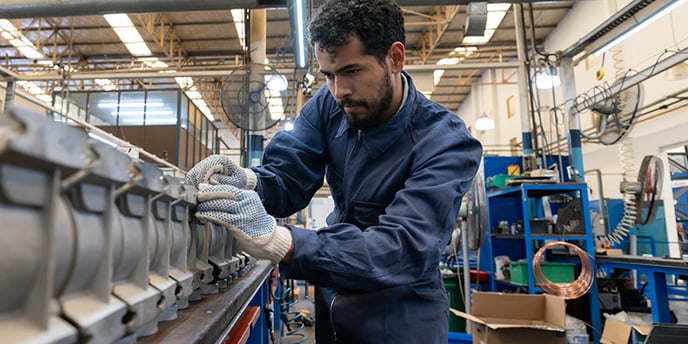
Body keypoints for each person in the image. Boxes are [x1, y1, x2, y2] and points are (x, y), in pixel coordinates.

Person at [185, 0, 482, 342]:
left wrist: (279, 241)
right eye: (329, 75)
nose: (339, 91)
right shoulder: (329, 106)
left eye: (352, 71)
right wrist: (248, 180)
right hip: (334, 307)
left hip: (401, 319)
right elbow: (289, 179)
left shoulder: (447, 143)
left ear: (395, 58)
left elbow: (400, 249)